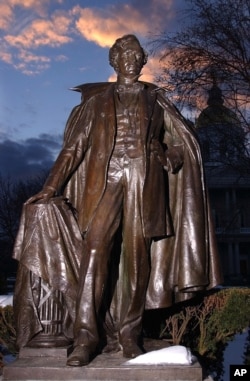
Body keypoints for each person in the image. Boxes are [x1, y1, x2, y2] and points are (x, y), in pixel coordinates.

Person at [14, 34, 222, 366]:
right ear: (115, 60)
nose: (133, 59)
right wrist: (51, 187)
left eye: (138, 55)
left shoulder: (157, 101)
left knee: (138, 261)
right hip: (106, 183)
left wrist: (167, 154)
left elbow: (184, 144)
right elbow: (73, 150)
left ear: (142, 61)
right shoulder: (96, 103)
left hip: (145, 183)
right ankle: (85, 337)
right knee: (96, 251)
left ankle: (129, 336)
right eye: (126, 54)